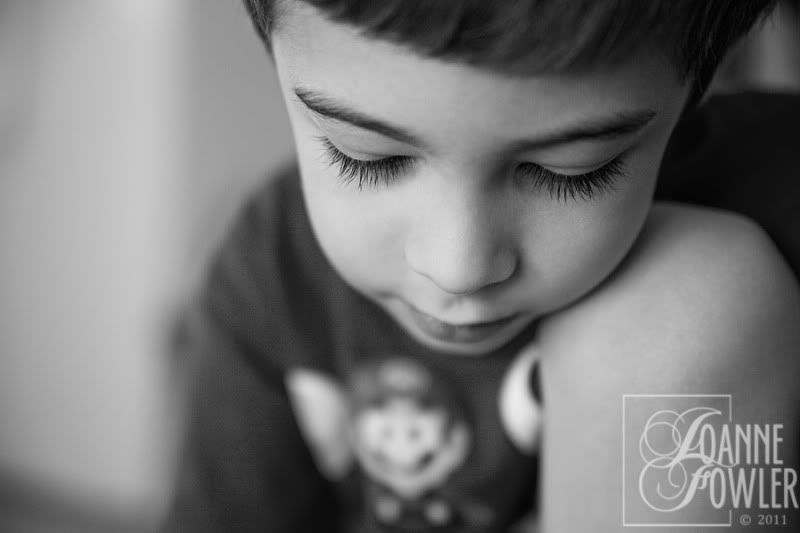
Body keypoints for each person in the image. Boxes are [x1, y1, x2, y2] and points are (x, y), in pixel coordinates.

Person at [162, 1, 800, 531]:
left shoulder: (770, 196)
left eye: (569, 171)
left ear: (695, 89)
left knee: (696, 290)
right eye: (367, 158)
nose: (459, 268)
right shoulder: (272, 277)